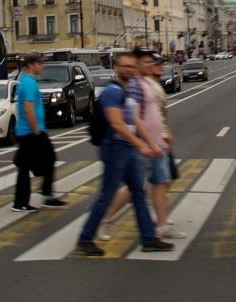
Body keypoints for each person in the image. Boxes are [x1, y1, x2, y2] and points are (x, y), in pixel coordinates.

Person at [76, 50, 173, 256]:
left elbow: (135, 120)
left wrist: (152, 143)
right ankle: (85, 239)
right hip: (114, 149)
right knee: (106, 195)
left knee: (138, 193)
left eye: (131, 66)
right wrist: (140, 145)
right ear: (116, 68)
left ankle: (148, 239)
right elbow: (117, 124)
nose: (128, 70)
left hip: (126, 148)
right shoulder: (113, 91)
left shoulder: (127, 89)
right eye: (124, 66)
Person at [100, 52, 184, 239]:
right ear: (138, 64)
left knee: (160, 182)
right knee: (135, 188)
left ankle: (161, 226)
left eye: (152, 62)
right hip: (145, 144)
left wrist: (164, 132)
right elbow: (135, 118)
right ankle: (105, 219)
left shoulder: (147, 83)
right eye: (147, 62)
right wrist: (146, 142)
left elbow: (155, 112)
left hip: (156, 143)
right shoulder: (136, 85)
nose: (151, 65)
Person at [11, 53, 65, 213]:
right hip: (31, 132)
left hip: (28, 131)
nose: (43, 66)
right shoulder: (29, 84)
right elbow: (28, 109)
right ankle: (24, 202)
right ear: (32, 65)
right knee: (44, 160)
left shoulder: (28, 82)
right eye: (41, 64)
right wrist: (36, 131)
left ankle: (40, 196)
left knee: (28, 164)